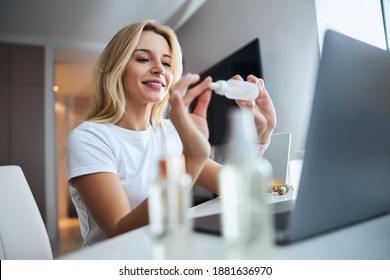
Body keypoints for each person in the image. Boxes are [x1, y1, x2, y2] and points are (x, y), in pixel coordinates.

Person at [66, 19, 276, 247]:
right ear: (117, 68)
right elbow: (120, 232)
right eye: (143, 59)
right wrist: (193, 160)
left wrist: (261, 134)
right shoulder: (89, 138)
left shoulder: (169, 131)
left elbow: (234, 186)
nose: (159, 69)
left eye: (167, 63)